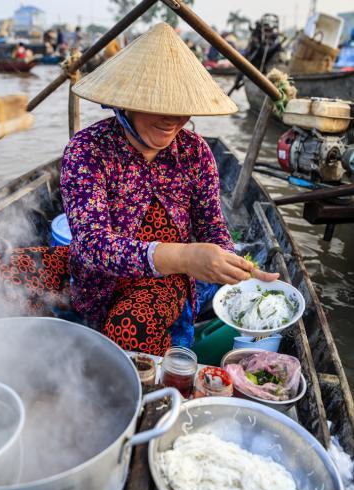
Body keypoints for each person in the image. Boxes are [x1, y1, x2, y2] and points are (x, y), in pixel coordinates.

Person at [60, 23, 279, 355]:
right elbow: (91, 245)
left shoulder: (195, 153)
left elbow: (211, 226)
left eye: (180, 107)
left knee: (129, 327)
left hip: (165, 280)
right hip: (93, 277)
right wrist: (186, 255)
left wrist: (232, 263)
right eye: (158, 105)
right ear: (125, 102)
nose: (172, 120)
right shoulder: (87, 149)